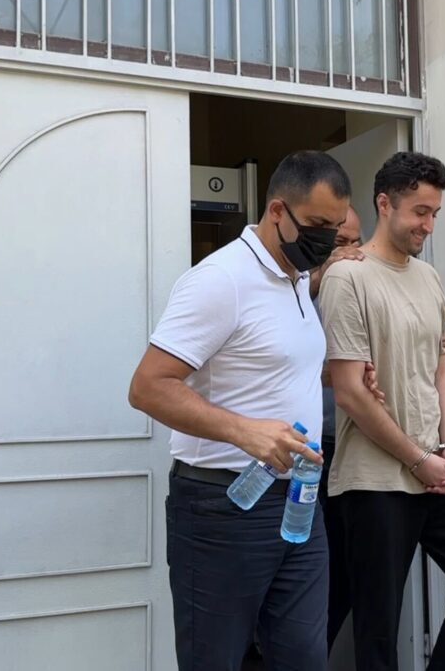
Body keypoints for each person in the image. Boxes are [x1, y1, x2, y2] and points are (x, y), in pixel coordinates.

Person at [128, 150, 348, 671]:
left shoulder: (298, 276)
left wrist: (337, 377)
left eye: (336, 228)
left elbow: (270, 366)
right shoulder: (220, 280)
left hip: (298, 503)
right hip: (222, 508)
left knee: (304, 659)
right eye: (318, 226)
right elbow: (148, 387)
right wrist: (244, 431)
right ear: (277, 211)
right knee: (216, 661)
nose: (327, 240)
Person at [318, 151, 445, 670]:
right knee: (378, 630)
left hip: (439, 469)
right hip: (375, 480)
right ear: (385, 204)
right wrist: (417, 459)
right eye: (420, 212)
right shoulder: (347, 278)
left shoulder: (428, 277)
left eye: (435, 213)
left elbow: (441, 370)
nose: (428, 224)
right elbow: (350, 392)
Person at [308, 206, 445, 652]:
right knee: (323, 587)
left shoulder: (389, 279)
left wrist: (427, 337)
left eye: (355, 240)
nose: (350, 251)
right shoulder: (300, 293)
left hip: (363, 446)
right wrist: (340, 374)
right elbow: (293, 367)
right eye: (339, 242)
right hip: (313, 457)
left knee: (348, 584)